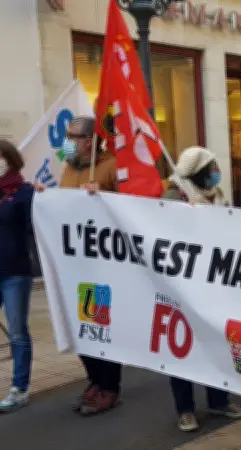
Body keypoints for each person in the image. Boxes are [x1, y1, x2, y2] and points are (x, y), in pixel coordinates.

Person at [162, 146, 241, 431]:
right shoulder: (173, 197)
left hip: (215, 285)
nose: (216, 174)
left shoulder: (218, 197)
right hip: (183, 287)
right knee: (182, 346)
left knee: (216, 343)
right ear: (197, 172)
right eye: (211, 169)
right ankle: (184, 409)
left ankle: (219, 400)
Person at [57, 116, 121, 415]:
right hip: (75, 262)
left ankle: (109, 386)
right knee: (80, 325)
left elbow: (131, 207)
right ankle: (94, 379)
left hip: (102, 262)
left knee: (99, 322)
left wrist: (105, 196)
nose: (68, 141)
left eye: (74, 136)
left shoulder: (111, 167)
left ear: (91, 141)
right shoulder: (68, 168)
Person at [0, 141, 35, 413]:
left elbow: (36, 227)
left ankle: (19, 388)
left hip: (15, 273)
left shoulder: (24, 193)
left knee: (17, 332)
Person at [163, 146, 228, 206]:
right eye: (211, 168)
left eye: (215, 166)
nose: (216, 171)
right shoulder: (173, 198)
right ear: (198, 173)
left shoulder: (218, 193)